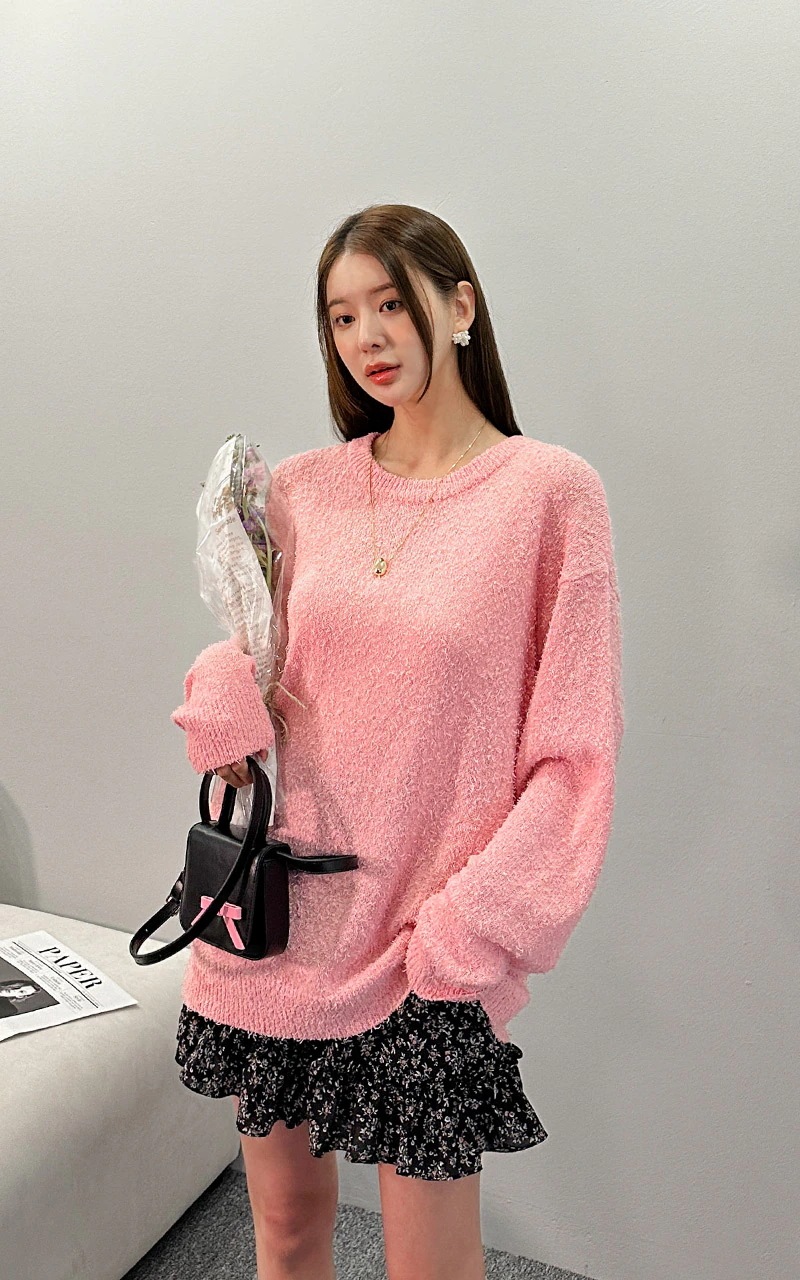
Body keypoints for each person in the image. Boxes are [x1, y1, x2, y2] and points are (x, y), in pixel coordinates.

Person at [170, 202, 624, 1280]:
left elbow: (575, 756)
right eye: (341, 317)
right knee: (283, 1227)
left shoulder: (549, 494)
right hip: (279, 921)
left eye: (389, 303)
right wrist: (220, 695)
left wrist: (468, 930)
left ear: (459, 305)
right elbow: (263, 657)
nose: (367, 337)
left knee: (431, 1264)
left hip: (429, 942)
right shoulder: (302, 488)